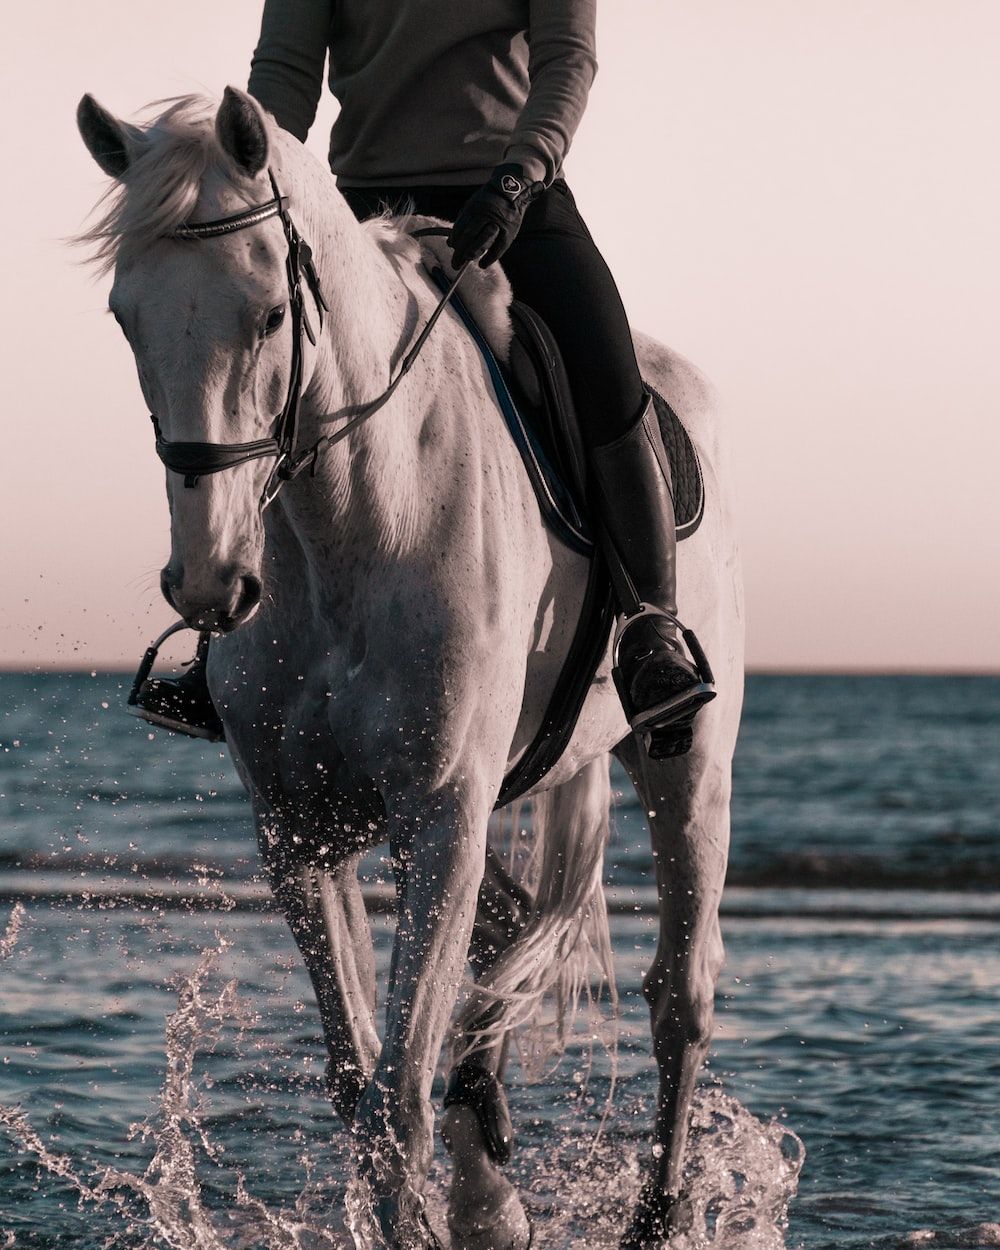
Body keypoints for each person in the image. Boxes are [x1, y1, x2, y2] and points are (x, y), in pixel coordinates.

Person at [132, 0, 715, 757]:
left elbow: (568, 60)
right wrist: (250, 176)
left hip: (513, 197)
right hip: (355, 205)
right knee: (267, 371)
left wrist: (518, 176)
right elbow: (282, 77)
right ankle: (229, 647)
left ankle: (650, 630)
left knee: (603, 368)